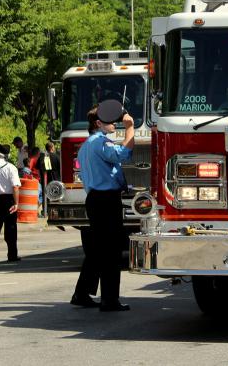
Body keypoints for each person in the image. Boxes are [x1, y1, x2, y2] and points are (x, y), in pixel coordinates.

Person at [71, 100, 134, 312]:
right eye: (110, 121)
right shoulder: (101, 143)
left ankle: (82, 293)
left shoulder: (86, 145)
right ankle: (109, 299)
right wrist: (130, 128)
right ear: (98, 123)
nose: (114, 124)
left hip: (95, 199)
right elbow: (123, 154)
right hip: (106, 200)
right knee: (111, 251)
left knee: (98, 249)